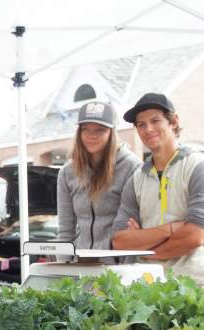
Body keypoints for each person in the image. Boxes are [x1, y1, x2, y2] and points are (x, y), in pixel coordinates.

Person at [112, 93, 204, 283]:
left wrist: (145, 248)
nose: (148, 129)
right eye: (141, 124)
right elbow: (120, 241)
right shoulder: (136, 180)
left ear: (174, 121)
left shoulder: (197, 167)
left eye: (155, 120)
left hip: (194, 286)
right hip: (149, 286)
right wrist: (171, 229)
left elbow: (195, 236)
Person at [57, 100, 141, 252]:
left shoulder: (131, 167)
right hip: (81, 265)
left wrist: (125, 266)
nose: (91, 136)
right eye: (85, 129)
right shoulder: (67, 172)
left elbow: (131, 226)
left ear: (112, 132)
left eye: (99, 130)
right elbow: (65, 230)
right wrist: (65, 265)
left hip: (118, 266)